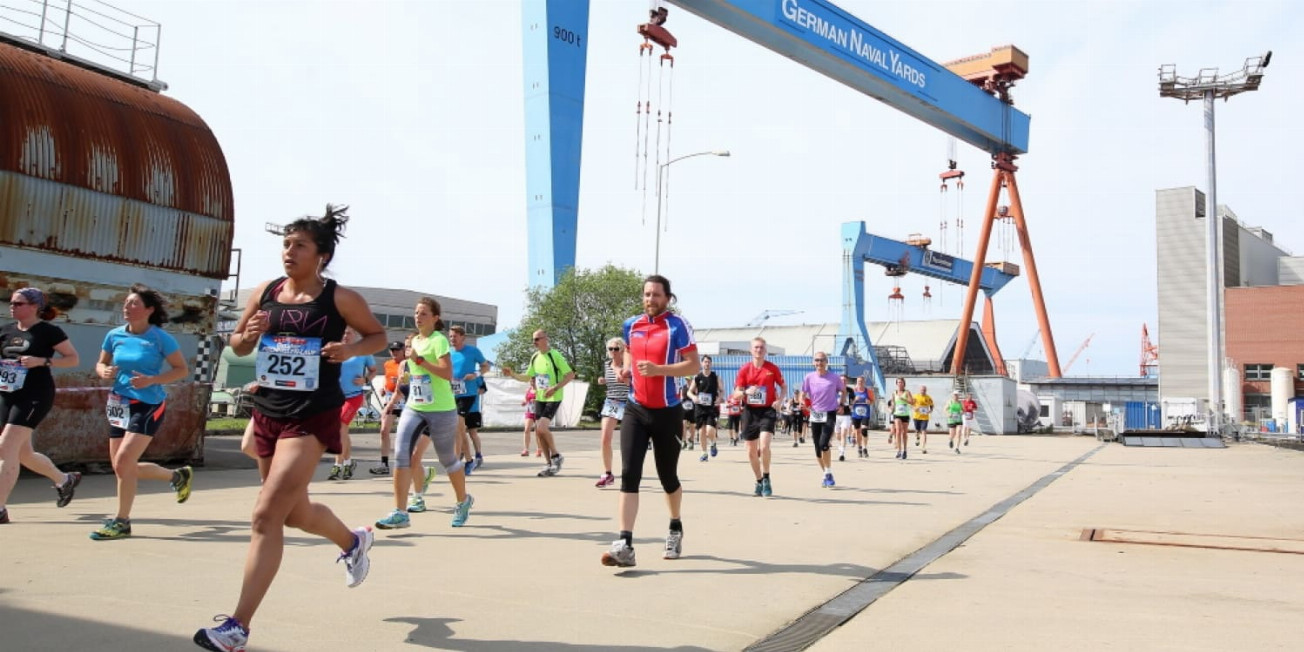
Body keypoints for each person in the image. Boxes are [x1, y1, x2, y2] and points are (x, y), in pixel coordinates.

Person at [193, 205, 385, 652]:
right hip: (269, 411)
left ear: (321, 254)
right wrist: (250, 332)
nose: (289, 251)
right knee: (293, 514)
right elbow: (237, 343)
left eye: (299, 245)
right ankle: (353, 541)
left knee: (264, 515)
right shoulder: (265, 292)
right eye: (285, 243)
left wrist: (350, 348)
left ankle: (237, 627)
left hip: (312, 416)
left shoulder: (341, 299)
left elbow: (377, 338)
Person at [600, 275, 700, 568]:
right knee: (629, 472)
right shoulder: (632, 324)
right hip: (635, 408)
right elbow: (630, 351)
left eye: (656, 294)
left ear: (668, 298)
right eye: (646, 294)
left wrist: (659, 370)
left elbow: (693, 364)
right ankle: (625, 544)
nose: (650, 299)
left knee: (667, 476)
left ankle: (675, 527)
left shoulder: (677, 326)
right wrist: (628, 370)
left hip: (667, 411)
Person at [90, 284, 193, 540]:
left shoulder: (160, 338)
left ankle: (121, 521)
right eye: (126, 303)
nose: (127, 307)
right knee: (121, 467)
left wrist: (152, 380)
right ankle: (176, 476)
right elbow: (101, 362)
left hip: (148, 404)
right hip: (118, 403)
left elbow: (181, 369)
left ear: (149, 310)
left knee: (125, 462)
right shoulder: (114, 335)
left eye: (134, 303)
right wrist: (103, 371)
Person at [375, 298, 474, 530]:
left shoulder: (438, 341)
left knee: (448, 460)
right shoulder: (415, 341)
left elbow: (447, 373)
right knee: (401, 455)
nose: (418, 317)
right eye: (416, 312)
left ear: (435, 318)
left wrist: (419, 360)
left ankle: (463, 501)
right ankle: (400, 512)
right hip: (415, 407)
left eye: (424, 313)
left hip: (441, 409)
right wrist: (408, 375)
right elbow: (416, 372)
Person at [0, 288, 83, 524]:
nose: (12, 306)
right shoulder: (6, 331)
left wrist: (43, 361)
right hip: (8, 395)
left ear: (34, 306)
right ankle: (64, 480)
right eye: (11, 303)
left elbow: (73, 358)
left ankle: (0, 509)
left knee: (5, 447)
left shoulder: (48, 331)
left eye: (18, 303)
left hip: (35, 395)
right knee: (23, 453)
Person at [503, 330, 574, 477]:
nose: (534, 342)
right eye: (533, 340)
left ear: (545, 339)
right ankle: (549, 464)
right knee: (539, 431)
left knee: (542, 428)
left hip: (553, 397)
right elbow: (528, 376)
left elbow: (570, 375)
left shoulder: (555, 355)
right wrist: (513, 374)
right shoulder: (535, 357)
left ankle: (556, 456)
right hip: (539, 397)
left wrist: (555, 387)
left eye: (536, 339)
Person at [732, 337, 786, 497]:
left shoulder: (772, 368)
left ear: (766, 350)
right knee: (750, 451)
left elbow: (783, 386)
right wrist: (744, 392)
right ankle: (759, 479)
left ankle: (767, 477)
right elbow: (735, 394)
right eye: (756, 347)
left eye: (762, 347)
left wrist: (780, 400)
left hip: (767, 411)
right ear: (750, 350)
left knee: (764, 446)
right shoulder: (744, 370)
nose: (759, 350)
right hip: (750, 412)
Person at [329, 329, 374, 481]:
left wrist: (366, 380)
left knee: (341, 427)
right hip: (336, 397)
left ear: (354, 335)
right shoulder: (334, 350)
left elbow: (373, 370)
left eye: (348, 333)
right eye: (343, 333)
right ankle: (348, 463)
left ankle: (338, 465)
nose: (345, 336)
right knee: (343, 431)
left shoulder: (363, 352)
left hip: (354, 397)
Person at [449, 325, 489, 474]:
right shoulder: (448, 353)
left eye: (455, 336)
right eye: (451, 336)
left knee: (461, 424)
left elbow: (486, 366)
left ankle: (464, 459)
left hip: (468, 394)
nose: (452, 339)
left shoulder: (473, 351)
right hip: (452, 394)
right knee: (457, 429)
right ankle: (467, 460)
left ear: (462, 337)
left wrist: (476, 374)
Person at [802, 352, 843, 488]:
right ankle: (826, 473)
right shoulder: (809, 377)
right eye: (817, 360)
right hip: (815, 414)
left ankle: (828, 472)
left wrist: (841, 405)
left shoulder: (834, 378)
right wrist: (804, 403)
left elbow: (843, 391)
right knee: (817, 448)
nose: (819, 363)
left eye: (822, 360)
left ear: (826, 362)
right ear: (814, 362)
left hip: (830, 413)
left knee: (824, 443)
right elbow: (804, 393)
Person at [595, 337, 628, 488]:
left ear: (622, 351)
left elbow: (632, 383)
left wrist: (623, 379)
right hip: (612, 402)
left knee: (628, 442)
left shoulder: (627, 366)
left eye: (616, 349)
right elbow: (610, 381)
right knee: (605, 439)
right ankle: (608, 474)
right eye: (610, 349)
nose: (613, 352)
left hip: (628, 403)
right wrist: (603, 380)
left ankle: (630, 472)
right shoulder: (607, 365)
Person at [370, 341, 407, 475]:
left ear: (403, 350)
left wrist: (400, 383)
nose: (394, 353)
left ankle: (405, 462)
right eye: (392, 350)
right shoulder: (388, 364)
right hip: (390, 401)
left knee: (403, 434)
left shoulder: (408, 364)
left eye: (397, 350)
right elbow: (388, 379)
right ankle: (384, 463)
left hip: (404, 401)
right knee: (384, 430)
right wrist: (384, 389)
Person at [688, 355, 722, 462]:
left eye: (709, 362)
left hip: (711, 408)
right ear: (702, 363)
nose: (707, 364)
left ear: (711, 364)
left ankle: (713, 443)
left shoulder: (715, 377)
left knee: (709, 430)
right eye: (705, 362)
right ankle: (704, 453)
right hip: (699, 407)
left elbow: (722, 390)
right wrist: (693, 397)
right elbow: (689, 391)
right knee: (702, 431)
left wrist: (719, 398)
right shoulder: (697, 377)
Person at [849, 376, 873, 458]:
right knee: (857, 431)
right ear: (856, 382)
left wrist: (869, 401)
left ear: (864, 382)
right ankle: (859, 447)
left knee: (864, 430)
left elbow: (872, 401)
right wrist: (855, 400)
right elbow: (850, 404)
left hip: (865, 413)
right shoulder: (853, 391)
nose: (860, 383)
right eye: (858, 381)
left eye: (861, 381)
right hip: (856, 414)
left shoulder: (868, 391)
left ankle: (865, 448)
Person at [890, 378, 913, 460]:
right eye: (898, 382)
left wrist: (904, 399)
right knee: (898, 431)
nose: (900, 384)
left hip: (905, 414)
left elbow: (912, 402)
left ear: (904, 384)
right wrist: (891, 409)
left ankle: (905, 450)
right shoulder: (894, 393)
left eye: (901, 382)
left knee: (904, 433)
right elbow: (893, 403)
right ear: (896, 384)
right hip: (897, 414)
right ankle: (899, 450)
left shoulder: (907, 392)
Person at [912, 385, 934, 453]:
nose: (923, 391)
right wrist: (915, 408)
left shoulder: (928, 397)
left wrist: (930, 411)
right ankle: (917, 438)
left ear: (926, 390)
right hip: (916, 417)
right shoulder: (915, 396)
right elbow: (912, 404)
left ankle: (923, 447)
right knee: (917, 431)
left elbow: (931, 405)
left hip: (925, 417)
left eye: (924, 390)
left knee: (924, 432)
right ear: (920, 390)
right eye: (922, 390)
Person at [520, 385, 538, 456]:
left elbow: (545, 399)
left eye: (534, 381)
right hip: (530, 412)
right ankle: (526, 449)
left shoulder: (540, 389)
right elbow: (526, 399)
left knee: (537, 432)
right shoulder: (528, 390)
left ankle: (539, 448)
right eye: (531, 381)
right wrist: (524, 402)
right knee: (527, 430)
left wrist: (536, 400)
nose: (532, 382)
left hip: (538, 412)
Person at [679, 381, 696, 450]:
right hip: (684, 409)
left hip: (693, 409)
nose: (687, 381)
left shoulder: (695, 387)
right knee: (683, 425)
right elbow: (680, 398)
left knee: (692, 426)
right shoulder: (683, 388)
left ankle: (691, 441)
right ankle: (684, 441)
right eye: (686, 379)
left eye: (689, 379)